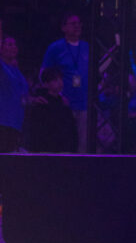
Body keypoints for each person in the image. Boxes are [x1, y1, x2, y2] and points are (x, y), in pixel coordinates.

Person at [41, 13, 89, 152]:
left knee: (83, 143)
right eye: (73, 23)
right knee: (65, 140)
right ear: (63, 28)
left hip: (84, 103)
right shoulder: (55, 48)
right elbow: (44, 74)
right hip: (63, 103)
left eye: (79, 23)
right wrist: (54, 94)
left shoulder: (87, 47)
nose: (77, 26)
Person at [25, 67, 77, 153]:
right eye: (55, 80)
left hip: (62, 147)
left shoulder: (62, 102)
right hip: (46, 147)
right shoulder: (41, 102)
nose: (60, 82)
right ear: (46, 84)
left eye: (60, 79)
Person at [0, 36, 29, 152]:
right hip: (3, 121)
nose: (14, 47)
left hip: (16, 122)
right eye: (9, 44)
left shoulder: (16, 69)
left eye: (15, 45)